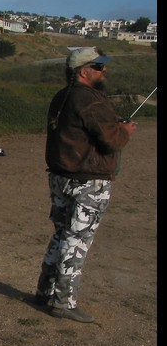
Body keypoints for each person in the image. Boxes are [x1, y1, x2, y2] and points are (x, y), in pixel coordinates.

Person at [34, 47, 137, 323]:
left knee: (61, 234)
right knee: (77, 240)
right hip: (88, 180)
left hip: (59, 177)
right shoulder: (90, 99)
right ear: (84, 71)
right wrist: (124, 130)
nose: (105, 71)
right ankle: (64, 302)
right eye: (100, 67)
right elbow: (111, 140)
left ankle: (45, 291)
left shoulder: (61, 96)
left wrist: (113, 125)